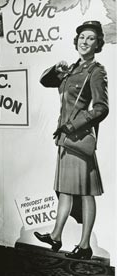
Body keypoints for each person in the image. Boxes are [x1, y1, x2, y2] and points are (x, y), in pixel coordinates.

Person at [34, 21, 109, 260]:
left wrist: (74, 125)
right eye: (81, 38)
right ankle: (56, 236)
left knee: (86, 194)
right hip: (65, 139)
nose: (84, 42)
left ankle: (85, 245)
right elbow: (45, 81)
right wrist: (56, 67)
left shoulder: (96, 71)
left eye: (90, 38)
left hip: (79, 139)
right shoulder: (73, 68)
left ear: (98, 44)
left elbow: (101, 108)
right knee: (65, 191)